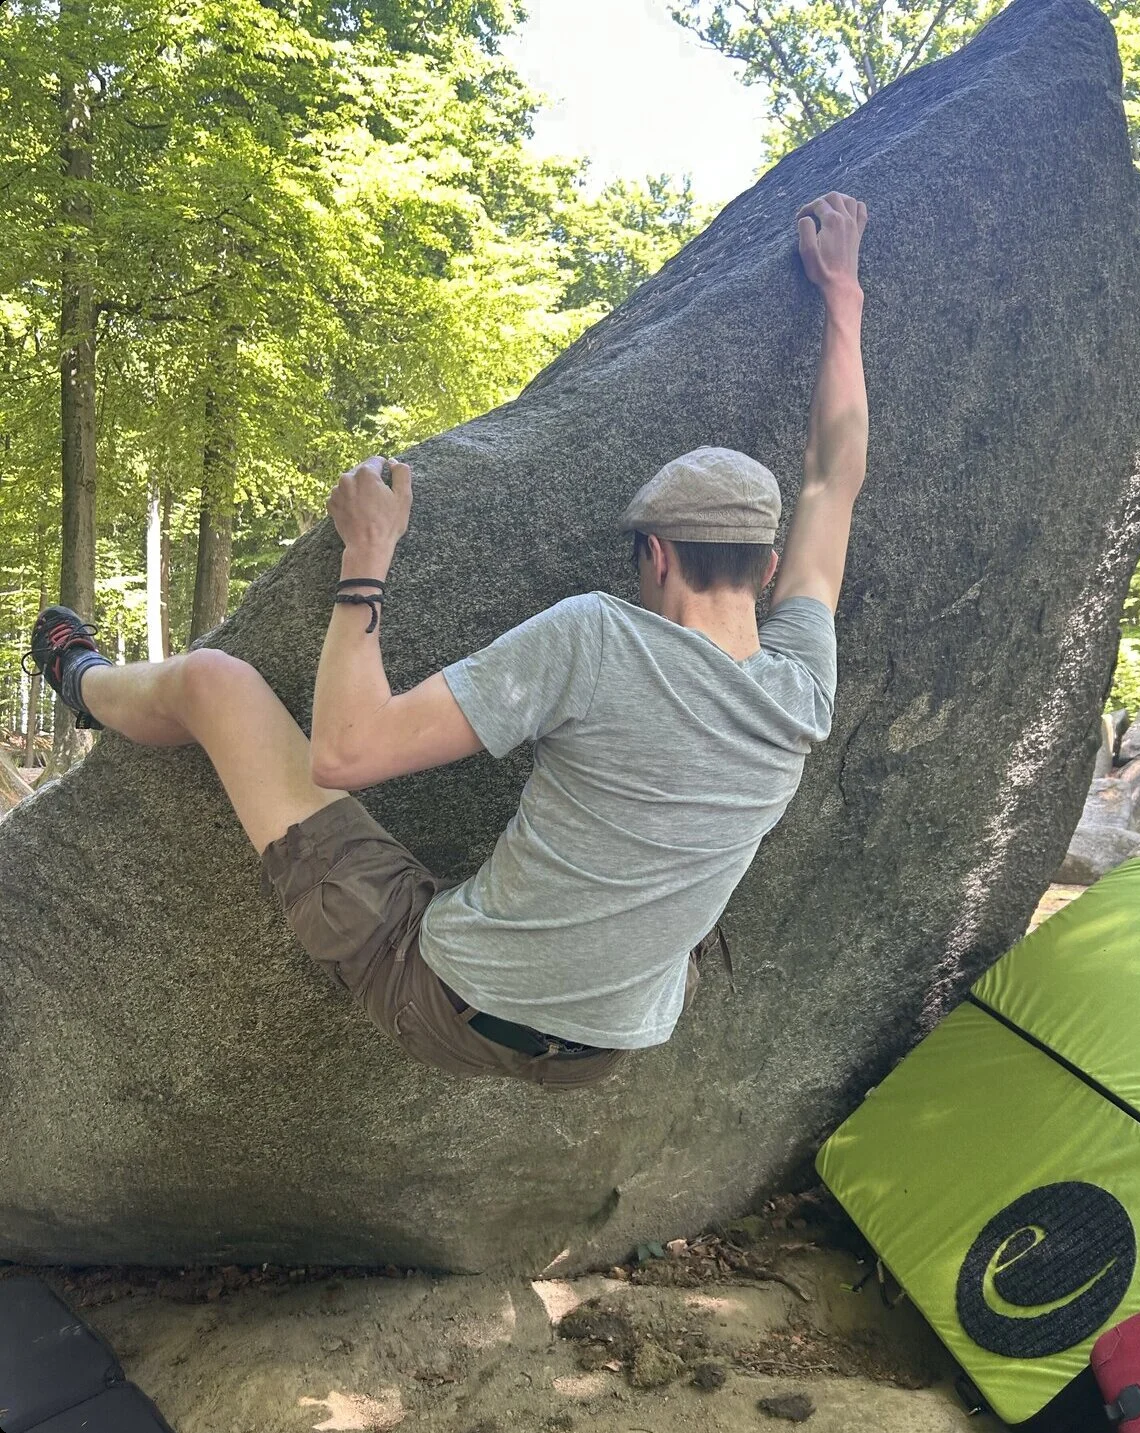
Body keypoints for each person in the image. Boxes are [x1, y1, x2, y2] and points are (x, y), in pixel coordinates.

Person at [24, 191, 869, 1091]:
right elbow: (833, 480)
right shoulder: (802, 687)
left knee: (213, 682)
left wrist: (366, 553)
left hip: (444, 1003)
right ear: (767, 568)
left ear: (654, 556)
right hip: (608, 1050)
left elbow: (347, 752)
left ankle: (84, 682)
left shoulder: (598, 637)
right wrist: (844, 299)